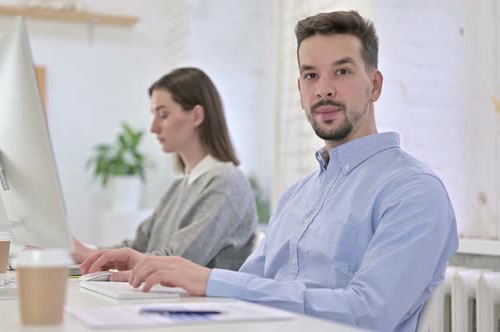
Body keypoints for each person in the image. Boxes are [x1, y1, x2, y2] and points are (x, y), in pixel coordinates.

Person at [80, 11, 459, 331]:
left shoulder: (413, 191)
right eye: (311, 76)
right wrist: (154, 271)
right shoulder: (297, 196)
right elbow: (247, 285)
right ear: (299, 89)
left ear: (374, 85)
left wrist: (206, 279)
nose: (323, 90)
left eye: (342, 72)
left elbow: (368, 312)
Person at [73, 67, 258, 272]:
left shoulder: (226, 183)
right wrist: (82, 251)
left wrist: (86, 254)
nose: (153, 128)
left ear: (196, 116)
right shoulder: (179, 187)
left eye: (163, 114)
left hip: (198, 303)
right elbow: (137, 247)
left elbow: (176, 262)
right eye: (154, 115)